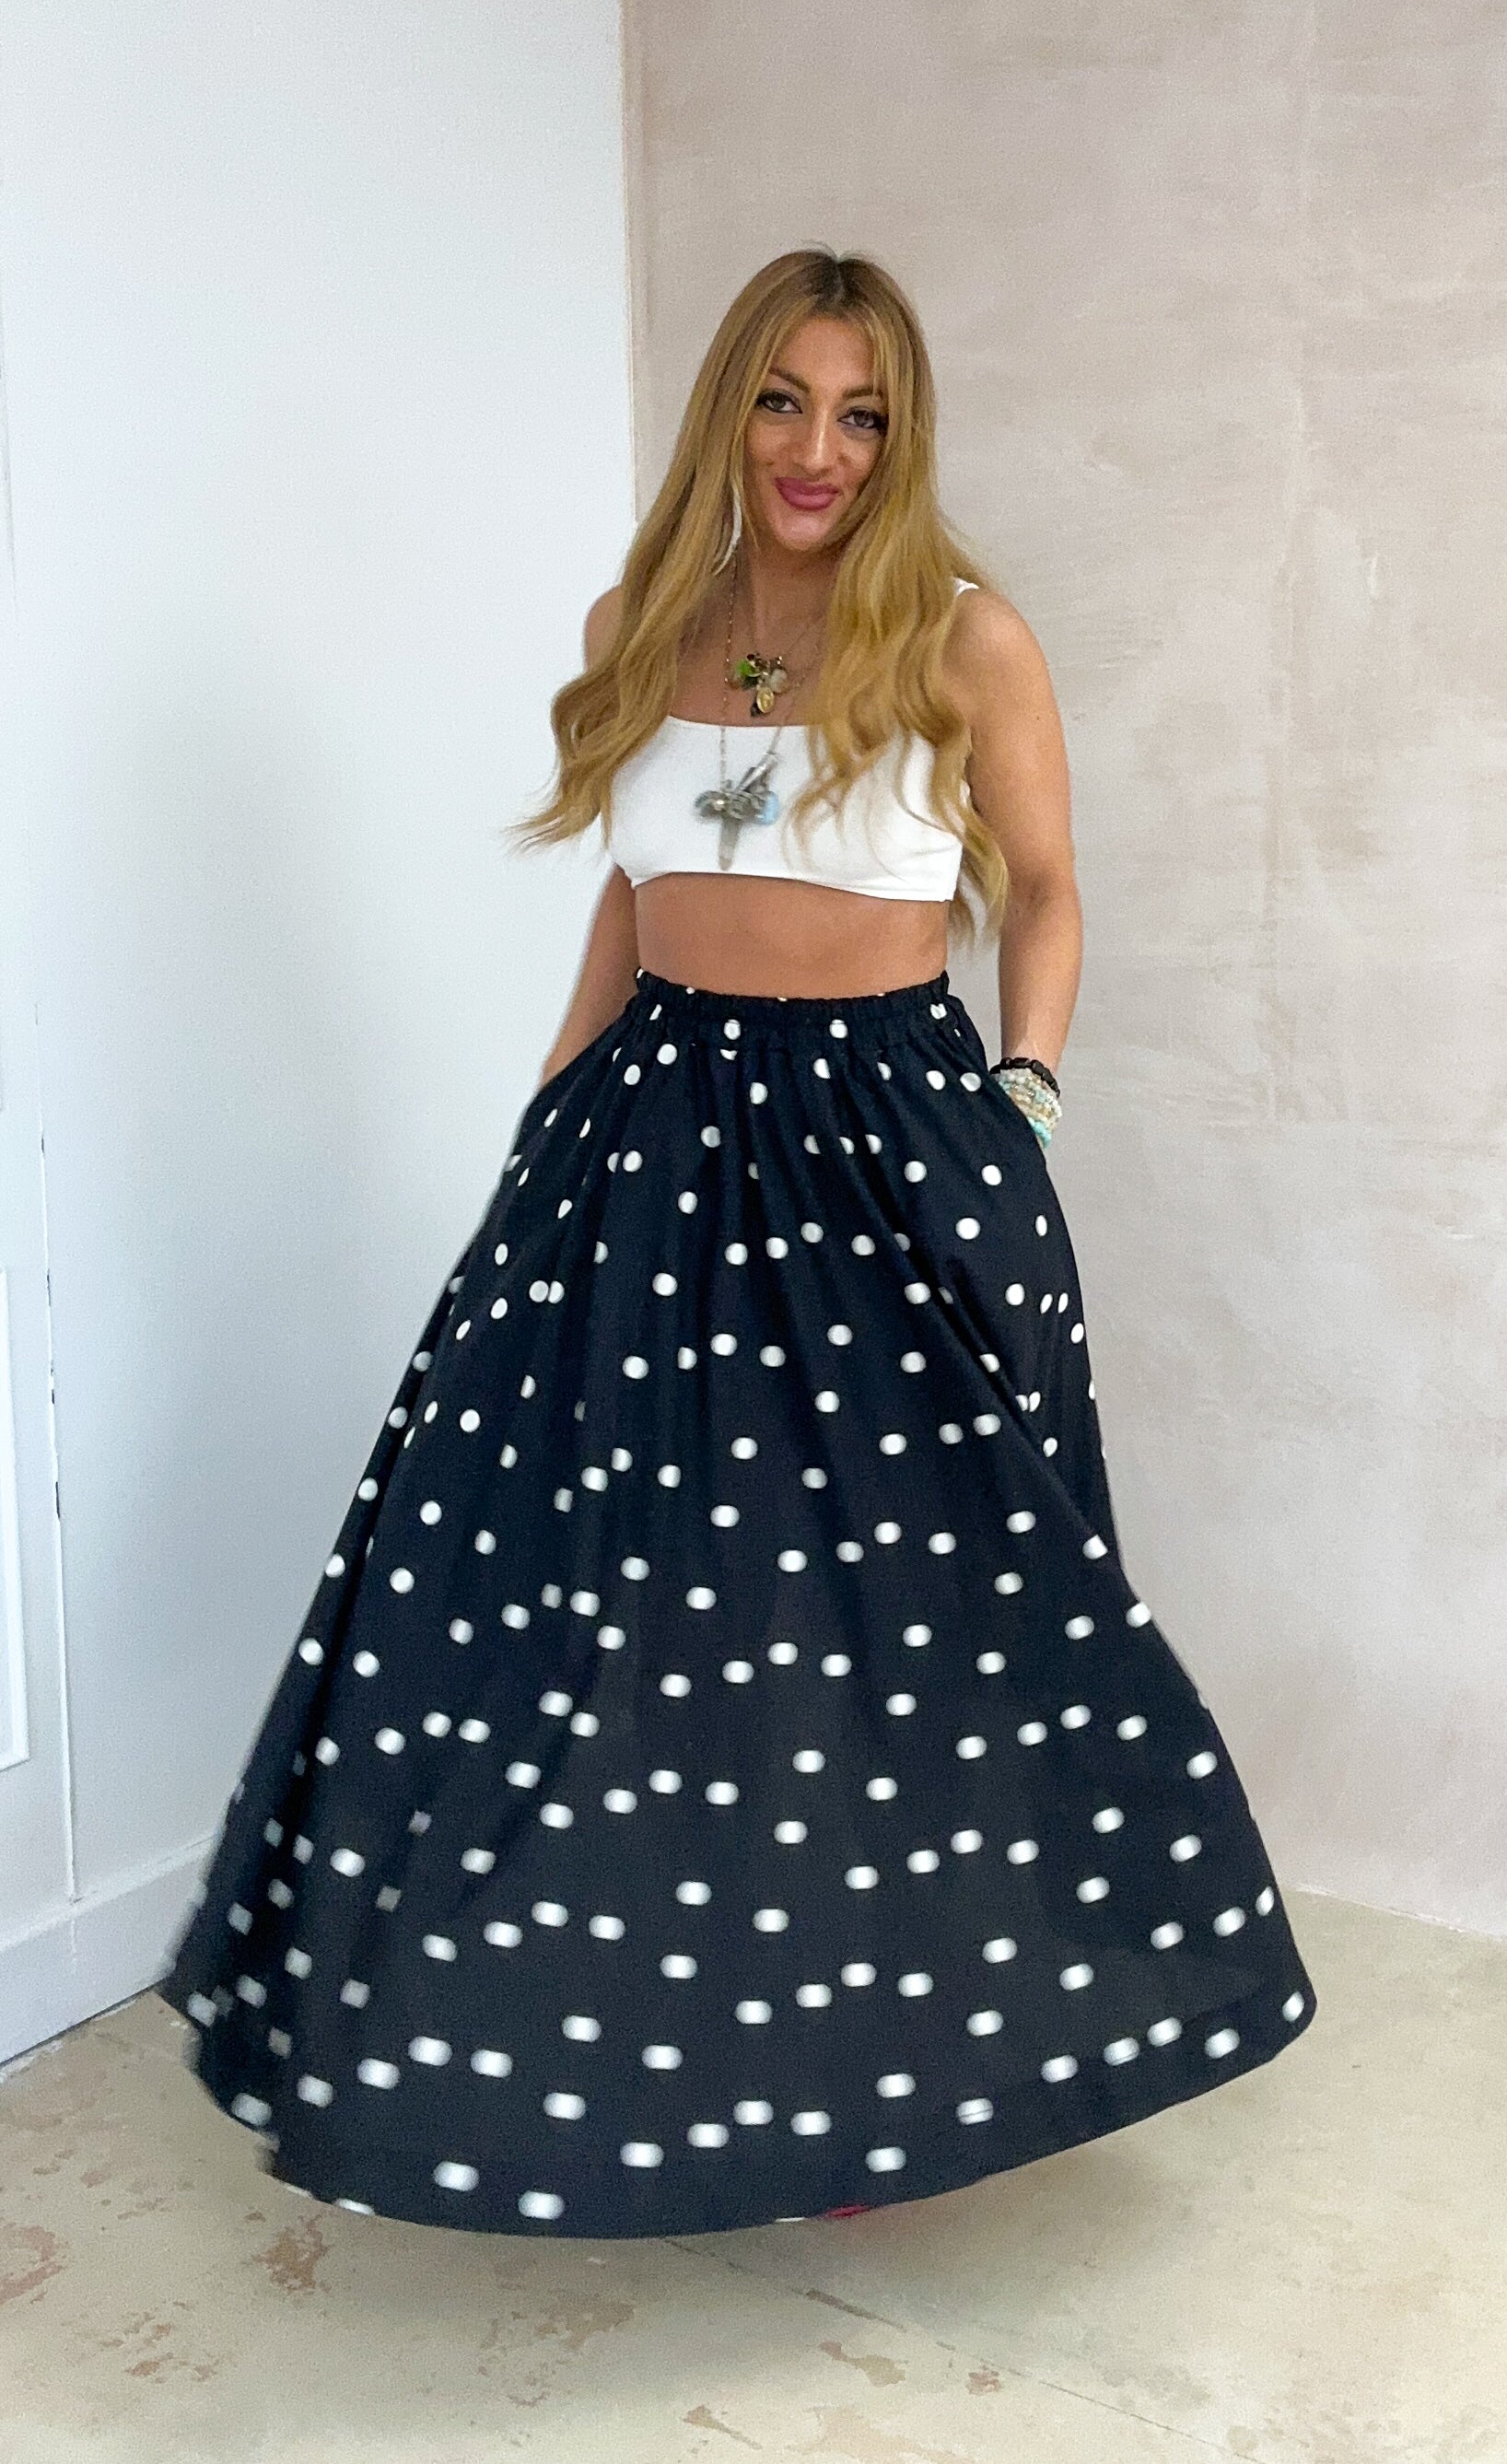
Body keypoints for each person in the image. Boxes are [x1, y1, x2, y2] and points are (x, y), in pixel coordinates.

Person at [158, 247, 1316, 2236]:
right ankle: (602, 2052)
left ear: (902, 436)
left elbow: (1046, 889)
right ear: (729, 410)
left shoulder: (965, 641)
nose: (817, 448)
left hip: (885, 1153)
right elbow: (629, 904)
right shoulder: (638, 631)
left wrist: (1025, 1101)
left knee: (889, 1634)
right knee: (597, 1608)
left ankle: (889, 2075)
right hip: (648, 1142)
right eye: (783, 399)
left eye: (861, 413)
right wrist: (546, 1126)